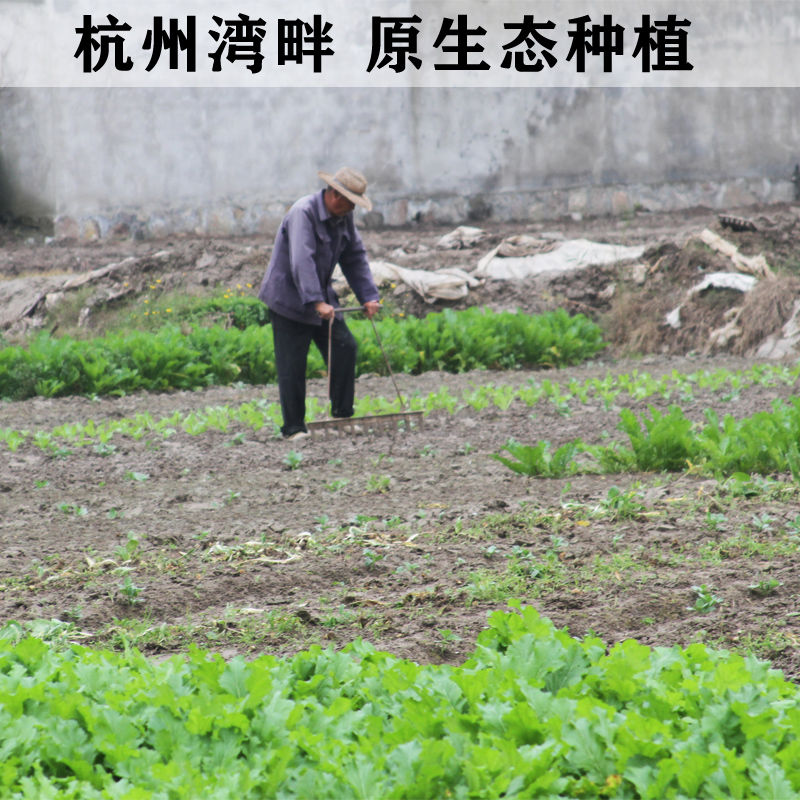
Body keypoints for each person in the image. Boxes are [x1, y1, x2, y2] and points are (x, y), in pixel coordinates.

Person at [258, 167, 381, 440]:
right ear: (336, 195)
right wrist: (315, 301)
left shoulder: (343, 217)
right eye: (350, 203)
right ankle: (293, 428)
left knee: (345, 347)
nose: (352, 209)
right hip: (288, 300)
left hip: (320, 299)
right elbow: (302, 261)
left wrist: (369, 296)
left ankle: (342, 415)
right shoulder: (303, 213)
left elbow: (355, 256)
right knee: (293, 364)